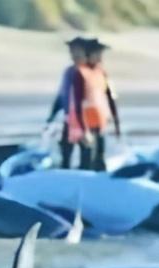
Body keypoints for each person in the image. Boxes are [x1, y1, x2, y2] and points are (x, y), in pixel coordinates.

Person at [77, 38, 120, 171]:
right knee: (86, 156)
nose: (101, 57)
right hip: (85, 122)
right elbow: (75, 101)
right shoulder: (79, 73)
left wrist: (116, 121)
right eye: (98, 53)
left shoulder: (102, 73)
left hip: (99, 121)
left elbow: (109, 97)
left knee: (100, 155)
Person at [46, 37, 89, 169]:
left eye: (76, 50)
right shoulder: (68, 72)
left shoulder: (89, 72)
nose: (73, 53)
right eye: (71, 50)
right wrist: (52, 116)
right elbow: (61, 96)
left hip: (87, 121)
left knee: (87, 154)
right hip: (70, 119)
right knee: (65, 151)